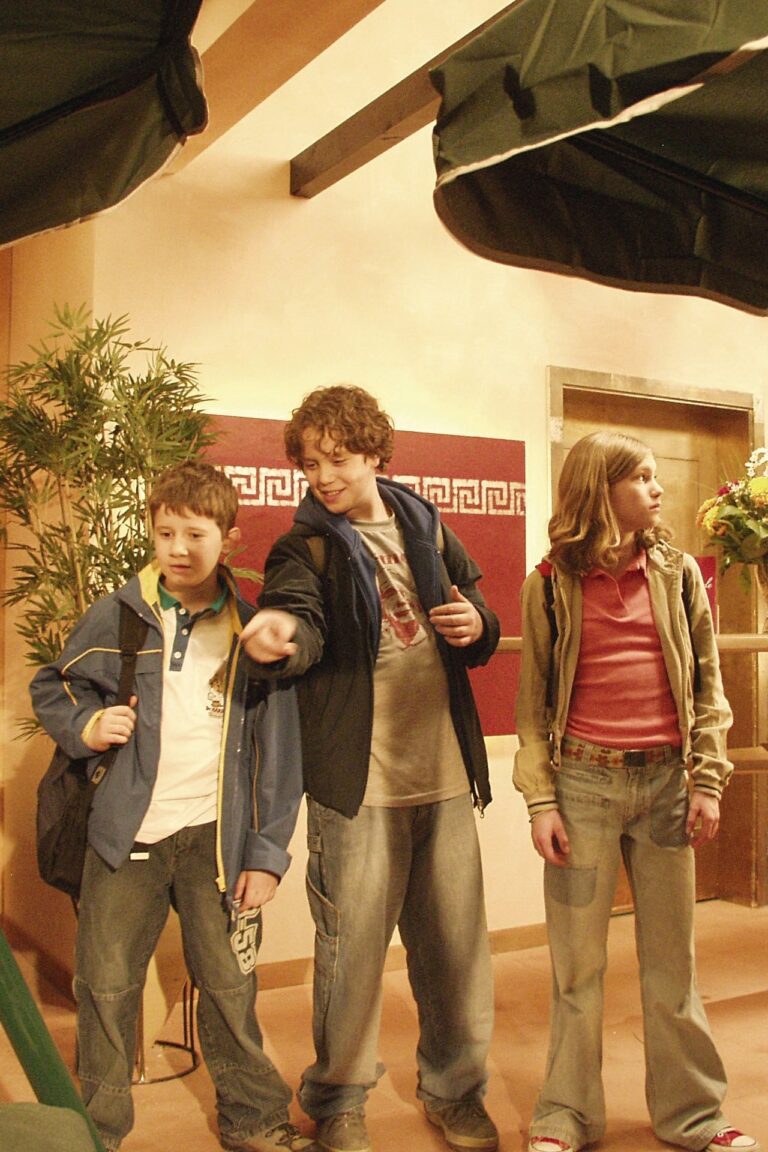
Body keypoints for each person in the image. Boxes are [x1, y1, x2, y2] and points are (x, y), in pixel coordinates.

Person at [239, 385, 500, 1152]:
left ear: (375, 455)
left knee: (455, 952)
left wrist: (477, 623)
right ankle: (339, 1102)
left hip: (443, 774)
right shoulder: (306, 547)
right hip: (358, 787)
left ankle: (456, 1092)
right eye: (310, 463)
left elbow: (475, 606)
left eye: (339, 459)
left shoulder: (423, 520)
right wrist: (281, 633)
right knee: (350, 955)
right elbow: (301, 616)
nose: (323, 476)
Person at [30, 461, 319, 1152]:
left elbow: (279, 755)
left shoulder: (253, 628)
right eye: (166, 533)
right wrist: (88, 726)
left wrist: (266, 855)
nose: (180, 548)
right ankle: (96, 1132)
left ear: (229, 538)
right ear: (152, 533)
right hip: (124, 838)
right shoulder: (119, 613)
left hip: (216, 841)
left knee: (228, 985)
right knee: (104, 987)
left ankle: (253, 1119)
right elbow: (55, 684)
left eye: (196, 534)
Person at [514, 431, 759, 1152]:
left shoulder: (678, 575)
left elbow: (708, 685)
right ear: (602, 488)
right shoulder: (548, 583)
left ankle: (695, 1116)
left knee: (673, 967)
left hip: (665, 787)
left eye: (656, 476)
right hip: (582, 785)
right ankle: (565, 1116)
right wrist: (541, 800)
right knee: (577, 969)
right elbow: (531, 704)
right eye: (642, 478)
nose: (657, 489)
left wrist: (707, 780)